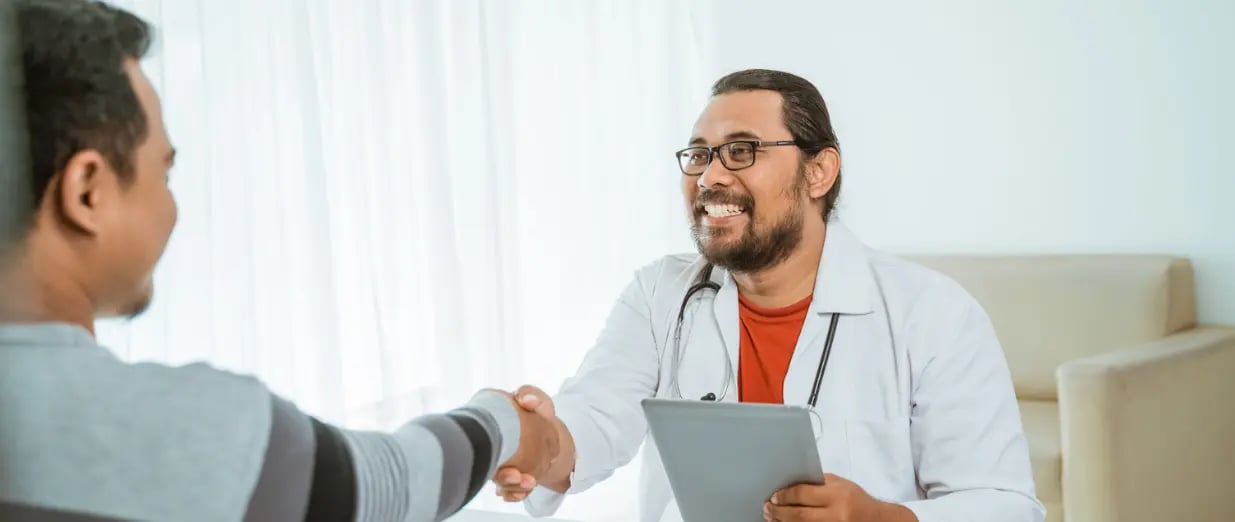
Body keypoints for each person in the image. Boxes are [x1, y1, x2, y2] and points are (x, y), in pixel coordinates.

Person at [0, 2, 559, 521]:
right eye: (163, 172)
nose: (171, 203)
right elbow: (390, 484)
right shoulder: (193, 429)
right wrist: (505, 420)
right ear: (88, 192)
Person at [493, 69, 1047, 522]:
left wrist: (883, 518)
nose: (710, 176)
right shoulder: (660, 293)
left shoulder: (933, 314)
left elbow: (1006, 507)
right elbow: (591, 421)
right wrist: (536, 444)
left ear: (819, 172)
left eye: (740, 151)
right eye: (699, 154)